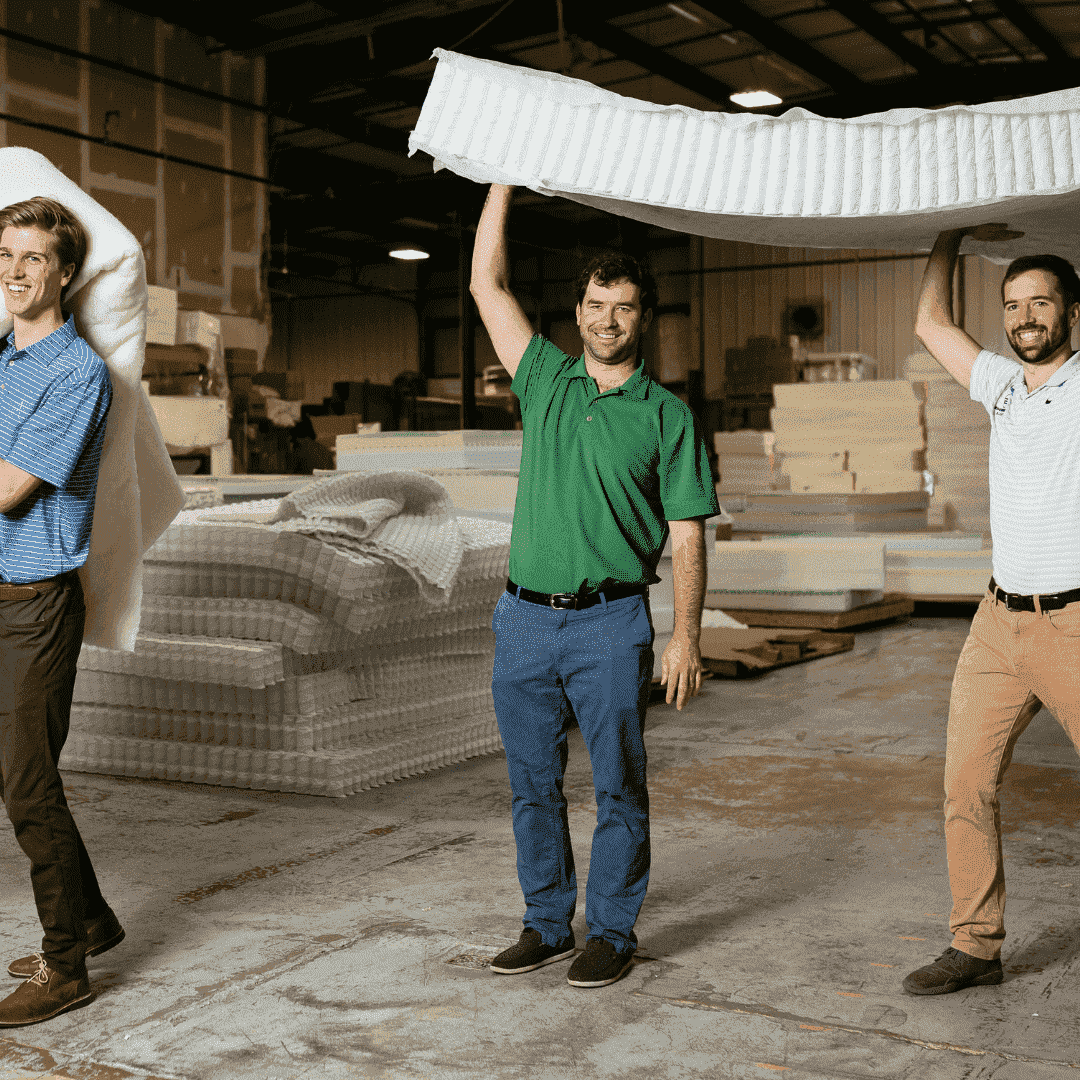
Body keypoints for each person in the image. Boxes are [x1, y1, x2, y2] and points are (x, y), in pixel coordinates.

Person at [470, 184, 720, 989]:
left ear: (644, 317)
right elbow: (485, 284)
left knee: (618, 782)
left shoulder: (667, 417)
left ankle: (610, 930)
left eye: (622, 307)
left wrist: (686, 634)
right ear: (575, 312)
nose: (606, 320)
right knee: (531, 786)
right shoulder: (544, 379)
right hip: (523, 620)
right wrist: (502, 181)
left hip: (612, 624)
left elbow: (687, 533)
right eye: (593, 304)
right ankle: (546, 922)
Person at [904, 224, 1080, 996]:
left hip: (1075, 624)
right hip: (997, 624)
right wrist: (953, 229)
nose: (1025, 317)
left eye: (1041, 302)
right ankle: (976, 945)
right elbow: (930, 325)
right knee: (965, 783)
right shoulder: (1001, 385)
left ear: (1073, 311)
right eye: (1013, 305)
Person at [0, 197, 122, 1027]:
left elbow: (9, 490)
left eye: (32, 257)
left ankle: (67, 966)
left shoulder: (77, 372)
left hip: (35, 604)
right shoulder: (0, 358)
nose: (13, 271)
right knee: (15, 778)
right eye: (5, 255)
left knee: (28, 785)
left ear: (65, 273)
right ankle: (94, 918)